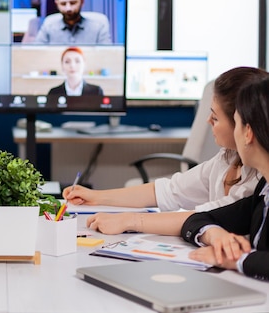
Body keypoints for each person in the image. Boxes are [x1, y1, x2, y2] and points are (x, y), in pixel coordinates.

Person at [63, 67, 267, 235]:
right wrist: (96, 197)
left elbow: (207, 217)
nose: (208, 122)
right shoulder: (227, 157)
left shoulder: (259, 181)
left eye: (215, 118)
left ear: (244, 127)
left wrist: (129, 221)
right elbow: (170, 190)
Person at [182, 77, 269, 280]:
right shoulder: (264, 189)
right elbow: (197, 219)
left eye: (236, 122)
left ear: (248, 133)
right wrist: (214, 234)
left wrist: (238, 260)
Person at [35, 0, 111, 44]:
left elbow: (107, 56)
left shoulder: (99, 26)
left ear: (82, 1)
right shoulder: (49, 25)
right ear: (57, 4)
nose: (68, 8)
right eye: (63, 4)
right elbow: (37, 54)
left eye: (73, 3)